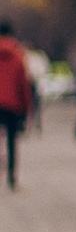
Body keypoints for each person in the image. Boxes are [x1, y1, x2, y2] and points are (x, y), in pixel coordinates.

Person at [0, 20, 33, 190]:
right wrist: (27, 107)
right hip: (13, 105)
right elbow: (23, 83)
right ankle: (12, 177)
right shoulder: (18, 54)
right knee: (12, 141)